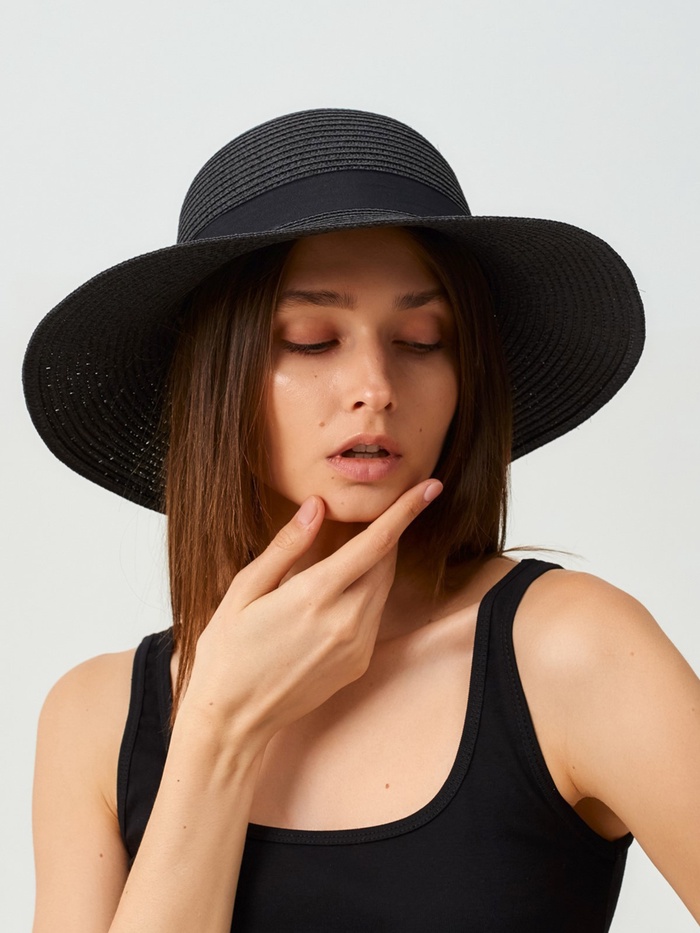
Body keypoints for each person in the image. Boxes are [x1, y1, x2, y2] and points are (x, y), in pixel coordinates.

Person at [24, 109, 699, 932]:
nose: (375, 386)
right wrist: (219, 730)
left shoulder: (575, 653)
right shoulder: (94, 722)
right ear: (214, 381)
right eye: (312, 340)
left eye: (421, 339)